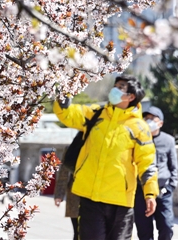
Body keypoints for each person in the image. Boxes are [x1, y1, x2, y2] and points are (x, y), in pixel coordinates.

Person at [53, 75, 159, 240]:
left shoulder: (140, 128)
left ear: (131, 96)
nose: (114, 90)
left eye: (121, 87)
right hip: (90, 197)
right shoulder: (95, 114)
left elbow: (147, 163)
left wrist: (150, 194)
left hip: (121, 202)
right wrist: (63, 97)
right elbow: (68, 114)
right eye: (115, 85)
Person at [134, 106, 178, 240]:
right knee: (144, 231)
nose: (148, 121)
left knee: (166, 227)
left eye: (152, 118)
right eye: (146, 118)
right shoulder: (138, 139)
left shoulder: (168, 140)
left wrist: (170, 187)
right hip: (141, 191)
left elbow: (173, 167)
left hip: (162, 191)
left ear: (160, 123)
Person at [54, 148, 80, 240]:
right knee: (78, 232)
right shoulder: (74, 147)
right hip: (75, 196)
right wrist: (59, 195)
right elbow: (64, 172)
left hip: (94, 196)